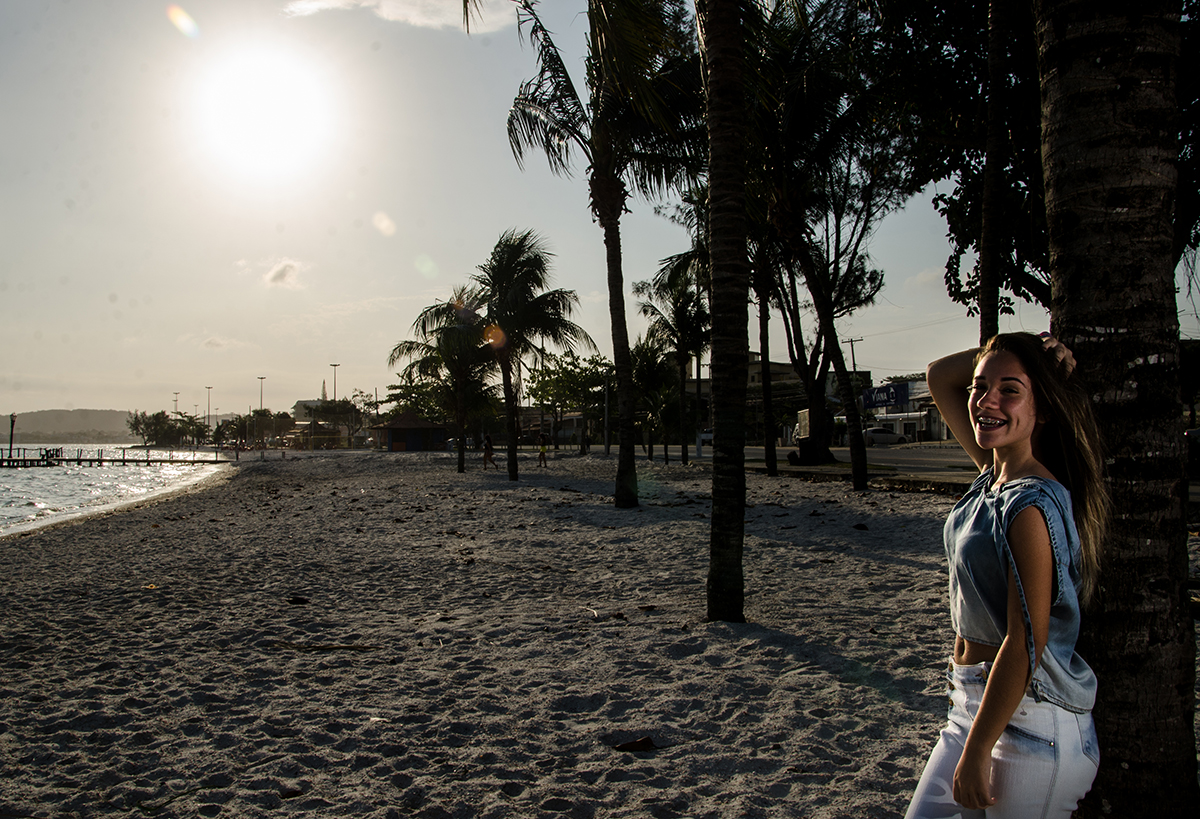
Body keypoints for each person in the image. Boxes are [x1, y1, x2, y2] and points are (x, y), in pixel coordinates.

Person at [905, 332, 1110, 819]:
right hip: (970, 707)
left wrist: (978, 753)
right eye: (981, 387)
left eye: (1011, 390)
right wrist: (1021, 346)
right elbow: (939, 376)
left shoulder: (1030, 505)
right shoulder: (992, 478)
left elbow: (1025, 641)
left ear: (1042, 408)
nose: (986, 401)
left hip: (1032, 725)